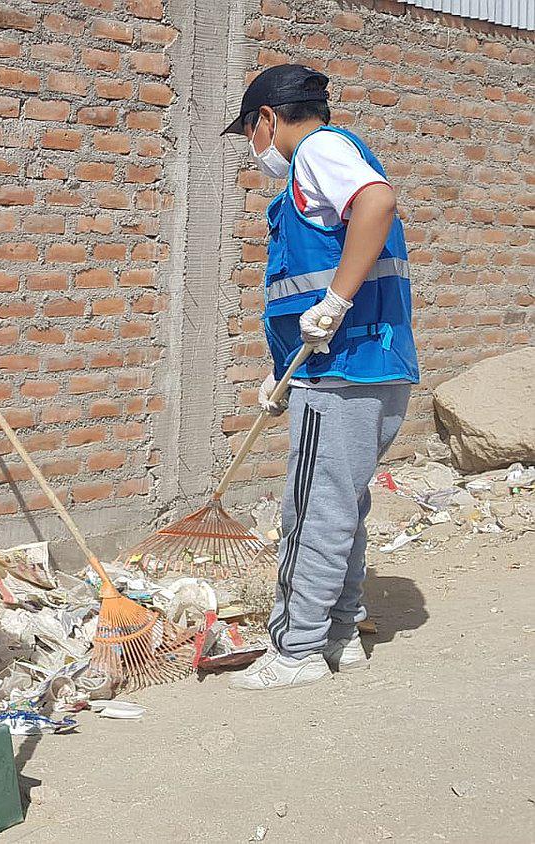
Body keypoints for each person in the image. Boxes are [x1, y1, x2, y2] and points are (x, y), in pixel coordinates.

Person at [221, 65, 418, 691]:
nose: (255, 153)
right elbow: (305, 286)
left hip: (342, 372)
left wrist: (333, 302)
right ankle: (338, 634)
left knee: (311, 511)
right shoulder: (328, 162)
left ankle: (295, 650)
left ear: (268, 121)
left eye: (250, 136)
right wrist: (282, 376)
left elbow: (377, 204)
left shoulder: (317, 150)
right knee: (344, 509)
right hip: (367, 368)